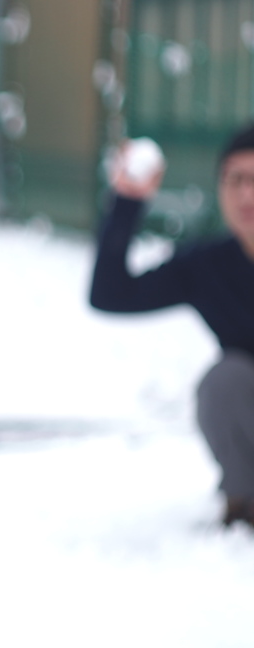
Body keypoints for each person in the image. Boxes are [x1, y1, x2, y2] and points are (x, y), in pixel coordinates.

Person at [89, 125, 254, 526]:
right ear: (220, 187)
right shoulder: (207, 265)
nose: (247, 194)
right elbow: (111, 294)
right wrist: (127, 201)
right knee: (224, 380)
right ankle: (245, 504)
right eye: (236, 179)